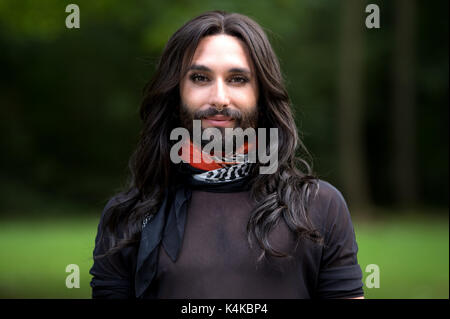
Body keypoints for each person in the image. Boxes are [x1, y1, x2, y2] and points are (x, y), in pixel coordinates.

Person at [89, 10, 364, 299]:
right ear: (175, 91)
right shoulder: (127, 216)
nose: (219, 98)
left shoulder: (319, 207)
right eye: (199, 77)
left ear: (262, 94)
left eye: (237, 79)